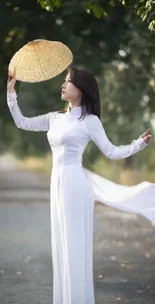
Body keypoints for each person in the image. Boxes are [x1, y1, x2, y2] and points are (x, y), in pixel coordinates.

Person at [7, 66, 154, 304]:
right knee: (61, 247)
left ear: (82, 90)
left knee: (74, 248)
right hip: (57, 185)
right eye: (64, 81)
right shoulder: (54, 118)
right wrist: (11, 92)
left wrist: (138, 144)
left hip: (76, 186)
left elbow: (112, 152)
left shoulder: (90, 121)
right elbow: (22, 122)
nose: (63, 85)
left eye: (68, 81)